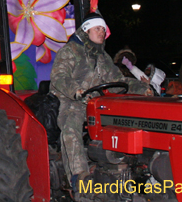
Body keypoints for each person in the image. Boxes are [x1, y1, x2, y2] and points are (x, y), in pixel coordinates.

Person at [50, 13, 150, 197]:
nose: (102, 32)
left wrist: (142, 88)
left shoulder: (102, 57)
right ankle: (79, 178)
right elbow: (59, 78)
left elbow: (117, 79)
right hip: (72, 101)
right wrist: (76, 91)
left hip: (97, 103)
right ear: (86, 30)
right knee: (71, 126)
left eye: (103, 29)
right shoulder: (70, 51)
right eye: (98, 28)